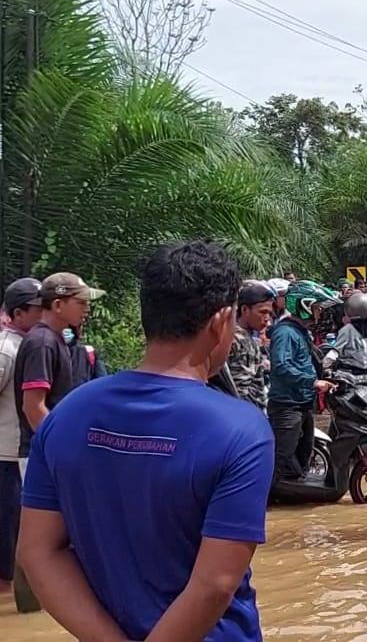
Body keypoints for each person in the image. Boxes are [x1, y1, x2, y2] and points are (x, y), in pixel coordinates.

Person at [18, 240, 274, 641]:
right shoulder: (242, 430)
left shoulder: (67, 415)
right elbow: (215, 585)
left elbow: (37, 552)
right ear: (222, 320)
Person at [15, 273, 102, 475]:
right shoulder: (42, 342)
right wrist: (62, 445)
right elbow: (33, 407)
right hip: (42, 452)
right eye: (80, 302)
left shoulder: (55, 339)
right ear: (57, 305)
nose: (87, 309)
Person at [268, 281, 339, 482]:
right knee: (281, 458)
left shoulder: (301, 332)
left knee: (302, 458)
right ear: (305, 306)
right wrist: (312, 382)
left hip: (302, 404)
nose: (318, 313)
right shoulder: (285, 333)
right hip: (287, 406)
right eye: (316, 308)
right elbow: (281, 366)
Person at [0, 278, 41, 596]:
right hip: (5, 456)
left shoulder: (32, 345)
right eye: (38, 309)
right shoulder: (6, 350)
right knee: (7, 537)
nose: (44, 314)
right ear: (18, 313)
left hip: (21, 454)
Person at [228, 282, 275, 413]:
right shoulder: (237, 339)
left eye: (269, 314)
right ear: (244, 310)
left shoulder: (245, 338)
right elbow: (239, 389)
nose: (267, 319)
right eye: (262, 312)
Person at [333, 292, 367, 366]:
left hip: (354, 369)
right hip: (364, 369)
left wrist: (325, 364)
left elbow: (335, 351)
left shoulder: (347, 329)